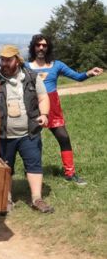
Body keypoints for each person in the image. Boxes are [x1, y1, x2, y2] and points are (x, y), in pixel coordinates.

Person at [25, 34, 104, 185]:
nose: (41, 48)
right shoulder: (26, 67)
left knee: (64, 138)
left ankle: (70, 173)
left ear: (48, 48)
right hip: (33, 107)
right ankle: (33, 174)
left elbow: (78, 77)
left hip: (53, 107)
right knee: (33, 142)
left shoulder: (57, 65)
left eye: (44, 45)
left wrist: (89, 73)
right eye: (38, 45)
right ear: (33, 47)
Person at [0, 45, 54, 213]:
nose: (4, 63)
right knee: (5, 168)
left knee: (34, 165)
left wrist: (44, 114)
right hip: (4, 134)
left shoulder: (31, 76)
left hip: (29, 132)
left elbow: (43, 97)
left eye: (8, 59)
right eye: (3, 59)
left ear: (17, 60)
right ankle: (5, 199)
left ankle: (37, 199)